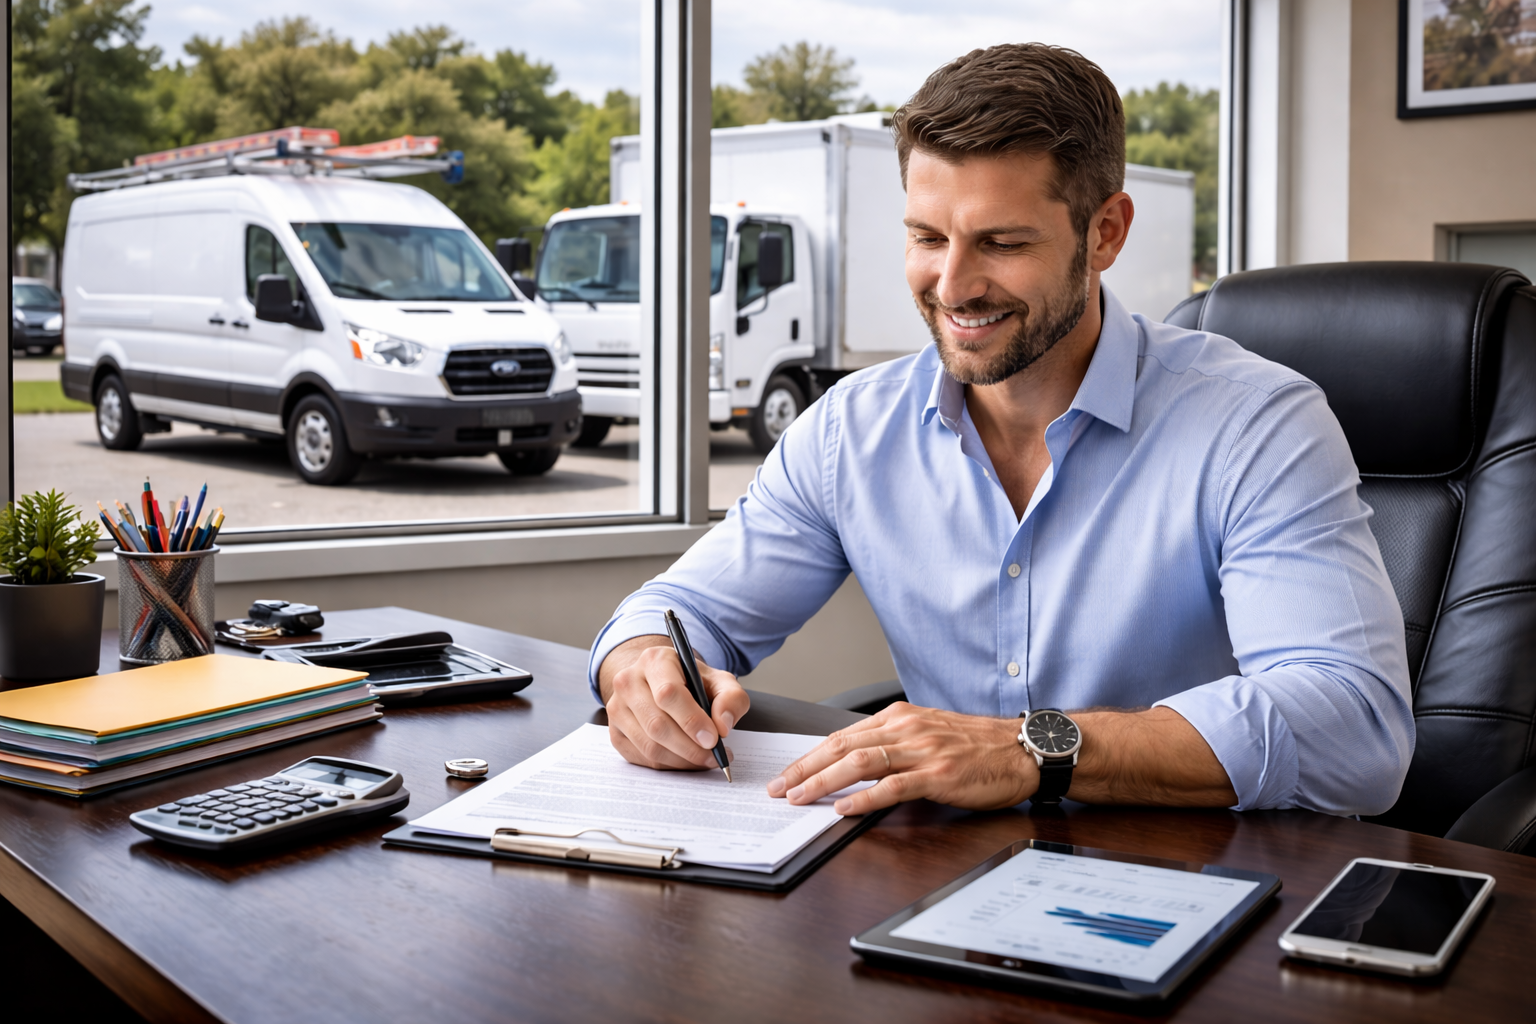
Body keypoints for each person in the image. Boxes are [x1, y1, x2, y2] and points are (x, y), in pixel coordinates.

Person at [588, 43, 1414, 820]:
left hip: (1193, 877)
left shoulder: (1256, 425)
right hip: (940, 877)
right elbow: (679, 610)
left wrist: (1034, 749)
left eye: (1002, 242)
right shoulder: (850, 431)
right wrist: (640, 670)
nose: (952, 285)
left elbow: (1356, 727)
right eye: (926, 237)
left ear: (1106, 234)